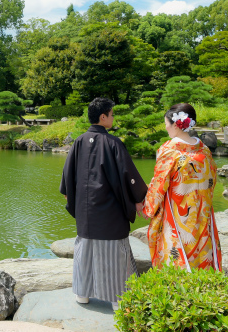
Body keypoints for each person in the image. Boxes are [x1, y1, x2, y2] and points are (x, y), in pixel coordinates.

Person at [60, 97, 148, 309]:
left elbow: (67, 175)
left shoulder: (79, 141)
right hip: (110, 210)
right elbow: (128, 176)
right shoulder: (113, 143)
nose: (113, 118)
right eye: (112, 114)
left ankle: (82, 294)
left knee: (85, 250)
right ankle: (117, 298)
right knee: (114, 253)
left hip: (85, 210)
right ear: (103, 117)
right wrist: (139, 198)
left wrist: (70, 195)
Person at [142, 103, 222, 272]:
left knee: (176, 255)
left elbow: (159, 184)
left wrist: (147, 208)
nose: (166, 127)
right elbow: (212, 181)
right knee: (201, 253)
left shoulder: (169, 150)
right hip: (202, 212)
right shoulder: (205, 151)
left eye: (166, 123)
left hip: (178, 213)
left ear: (176, 125)